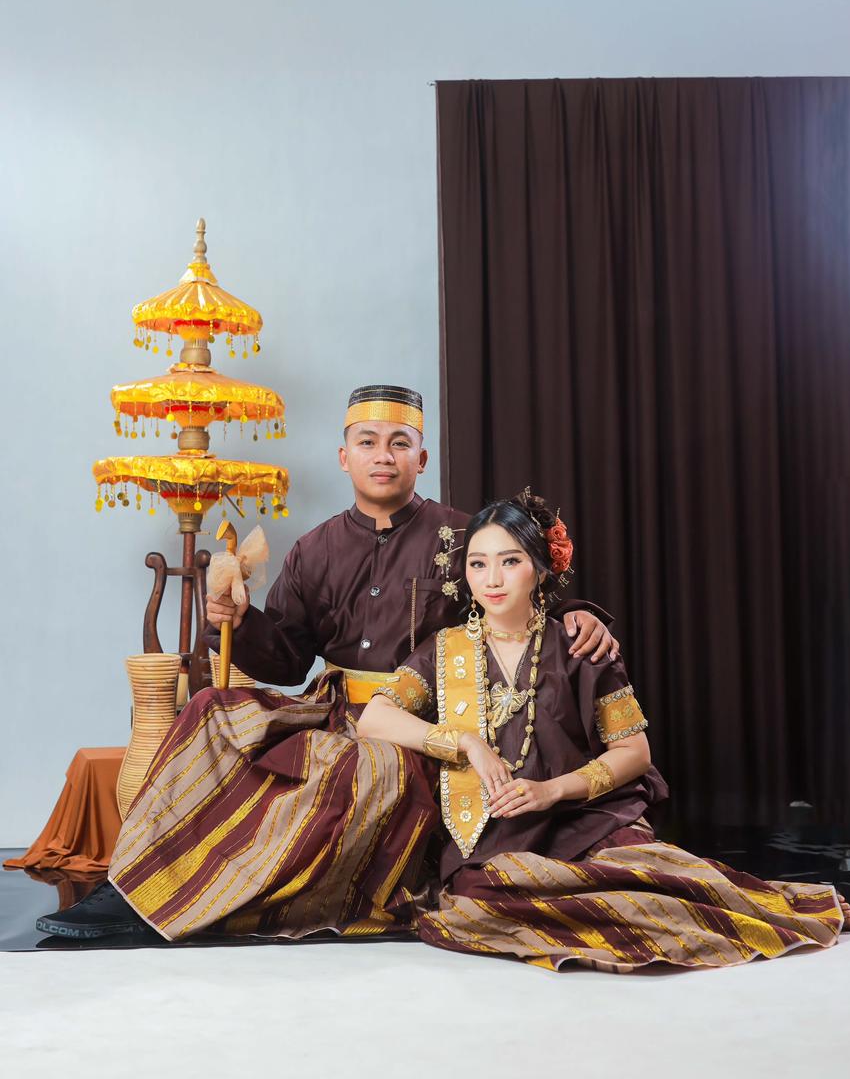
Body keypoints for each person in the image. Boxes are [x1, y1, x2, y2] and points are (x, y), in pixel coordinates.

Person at [37, 386, 613, 941]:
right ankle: (134, 880)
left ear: (421, 459)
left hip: (423, 723)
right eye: (367, 442)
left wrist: (579, 615)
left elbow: (519, 601)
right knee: (212, 709)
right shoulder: (315, 548)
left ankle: (205, 899)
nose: (383, 456)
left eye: (399, 443)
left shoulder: (464, 536)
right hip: (335, 709)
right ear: (344, 457)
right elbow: (289, 661)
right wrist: (238, 620)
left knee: (351, 769)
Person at [357, 491, 850, 971]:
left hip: (586, 816)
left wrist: (553, 790)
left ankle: (771, 907)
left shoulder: (581, 646)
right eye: (478, 564)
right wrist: (466, 743)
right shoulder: (444, 650)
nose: (492, 579)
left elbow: (634, 751)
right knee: (480, 900)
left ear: (541, 568)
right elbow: (375, 717)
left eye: (510, 561)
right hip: (497, 830)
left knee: (641, 878)